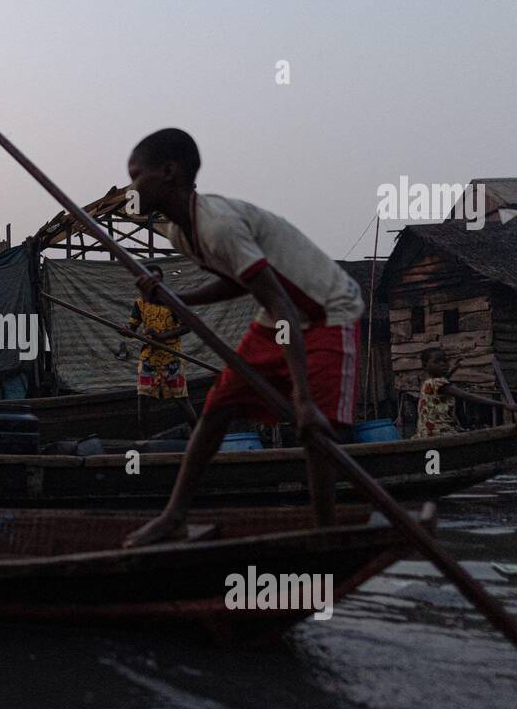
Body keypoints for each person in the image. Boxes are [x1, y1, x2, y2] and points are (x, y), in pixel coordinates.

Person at [122, 128, 365, 546]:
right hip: (276, 315)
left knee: (316, 429)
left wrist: (302, 399)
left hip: (326, 312)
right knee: (217, 407)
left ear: (168, 172)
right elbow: (240, 283)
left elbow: (283, 303)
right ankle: (175, 516)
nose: (130, 187)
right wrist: (181, 298)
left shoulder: (218, 225)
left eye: (135, 175)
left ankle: (325, 532)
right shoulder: (181, 233)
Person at [127, 264, 198, 436]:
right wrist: (126, 330)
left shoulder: (171, 301)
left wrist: (162, 336)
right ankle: (144, 440)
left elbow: (187, 326)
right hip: (149, 357)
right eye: (151, 280)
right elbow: (132, 328)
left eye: (158, 280)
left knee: (181, 400)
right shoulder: (140, 303)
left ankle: (199, 436)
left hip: (171, 356)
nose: (154, 284)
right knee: (143, 399)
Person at [415, 347, 516, 436]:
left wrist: (454, 368)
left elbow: (443, 381)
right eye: (437, 362)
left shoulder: (428, 383)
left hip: (426, 432)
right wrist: (503, 404)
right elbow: (468, 396)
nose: (443, 364)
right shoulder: (439, 384)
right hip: (440, 432)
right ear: (425, 366)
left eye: (444, 361)